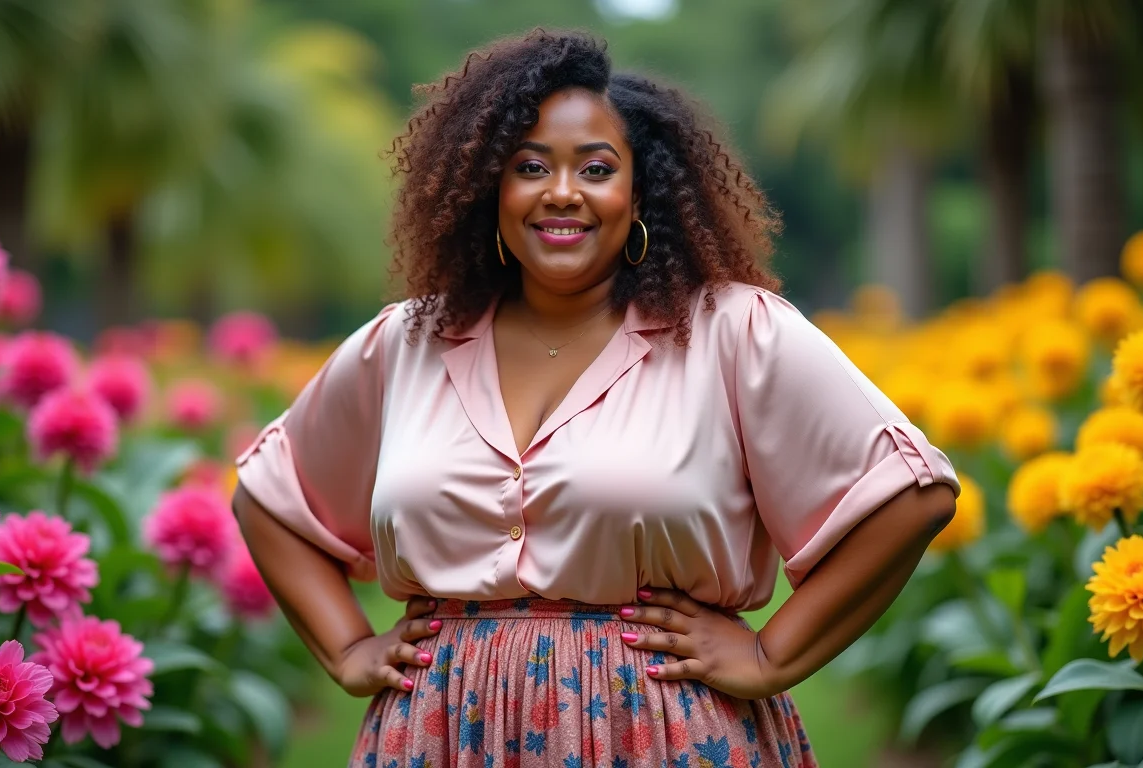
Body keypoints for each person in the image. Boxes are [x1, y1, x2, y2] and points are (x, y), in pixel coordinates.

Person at [232, 29, 959, 768]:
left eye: (597, 168)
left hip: (663, 733)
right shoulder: (407, 342)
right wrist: (349, 647)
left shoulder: (731, 332)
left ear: (638, 190)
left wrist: (772, 654)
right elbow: (270, 496)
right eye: (531, 166)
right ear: (491, 187)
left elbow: (909, 495)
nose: (563, 192)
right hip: (441, 733)